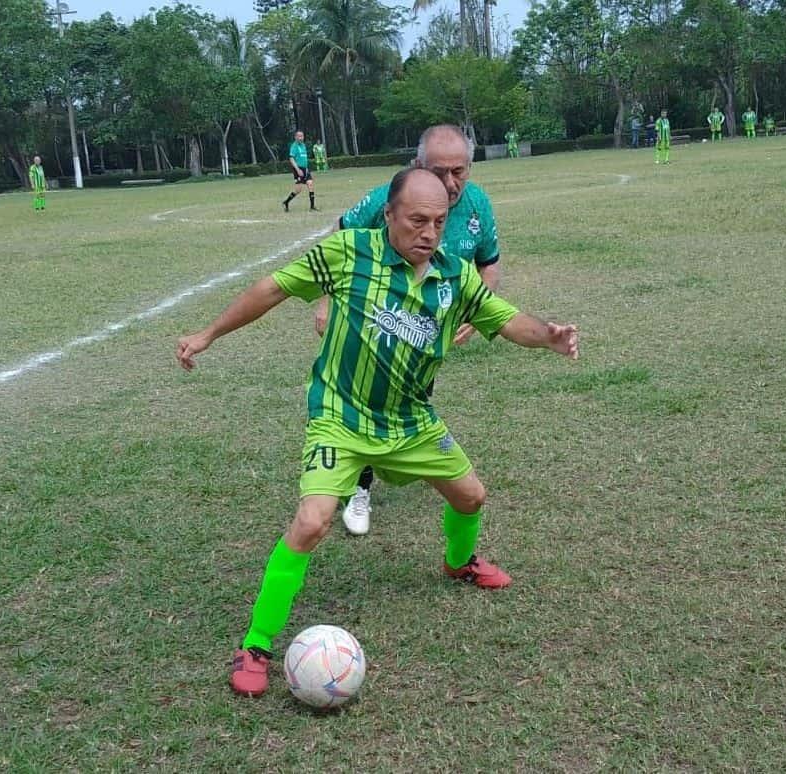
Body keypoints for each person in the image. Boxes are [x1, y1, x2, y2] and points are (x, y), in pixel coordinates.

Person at [175, 168, 580, 697]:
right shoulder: (348, 252)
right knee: (312, 522)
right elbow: (271, 289)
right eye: (416, 220)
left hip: (411, 421)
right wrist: (208, 334)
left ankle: (459, 563)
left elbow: (507, 320)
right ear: (388, 215)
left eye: (438, 221)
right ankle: (255, 643)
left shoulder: (455, 276)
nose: (429, 232)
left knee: (471, 496)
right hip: (341, 417)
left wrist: (547, 336)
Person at [315, 125, 502, 536]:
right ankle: (358, 488)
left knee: (411, 399)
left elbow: (489, 261)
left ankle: (401, 461)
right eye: (440, 171)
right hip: (372, 323)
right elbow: (341, 231)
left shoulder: (477, 205)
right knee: (369, 400)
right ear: (418, 164)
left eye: (460, 171)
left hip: (425, 332)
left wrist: (478, 308)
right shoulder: (391, 196)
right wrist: (327, 299)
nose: (451, 183)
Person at [282, 131, 317, 212]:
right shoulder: (294, 146)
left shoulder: (303, 145)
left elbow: (304, 158)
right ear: (295, 137)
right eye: (299, 136)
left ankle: (312, 206)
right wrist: (297, 170)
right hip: (298, 169)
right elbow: (291, 159)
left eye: (302, 136)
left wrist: (306, 168)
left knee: (310, 184)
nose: (301, 138)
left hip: (305, 169)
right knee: (298, 189)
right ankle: (286, 202)